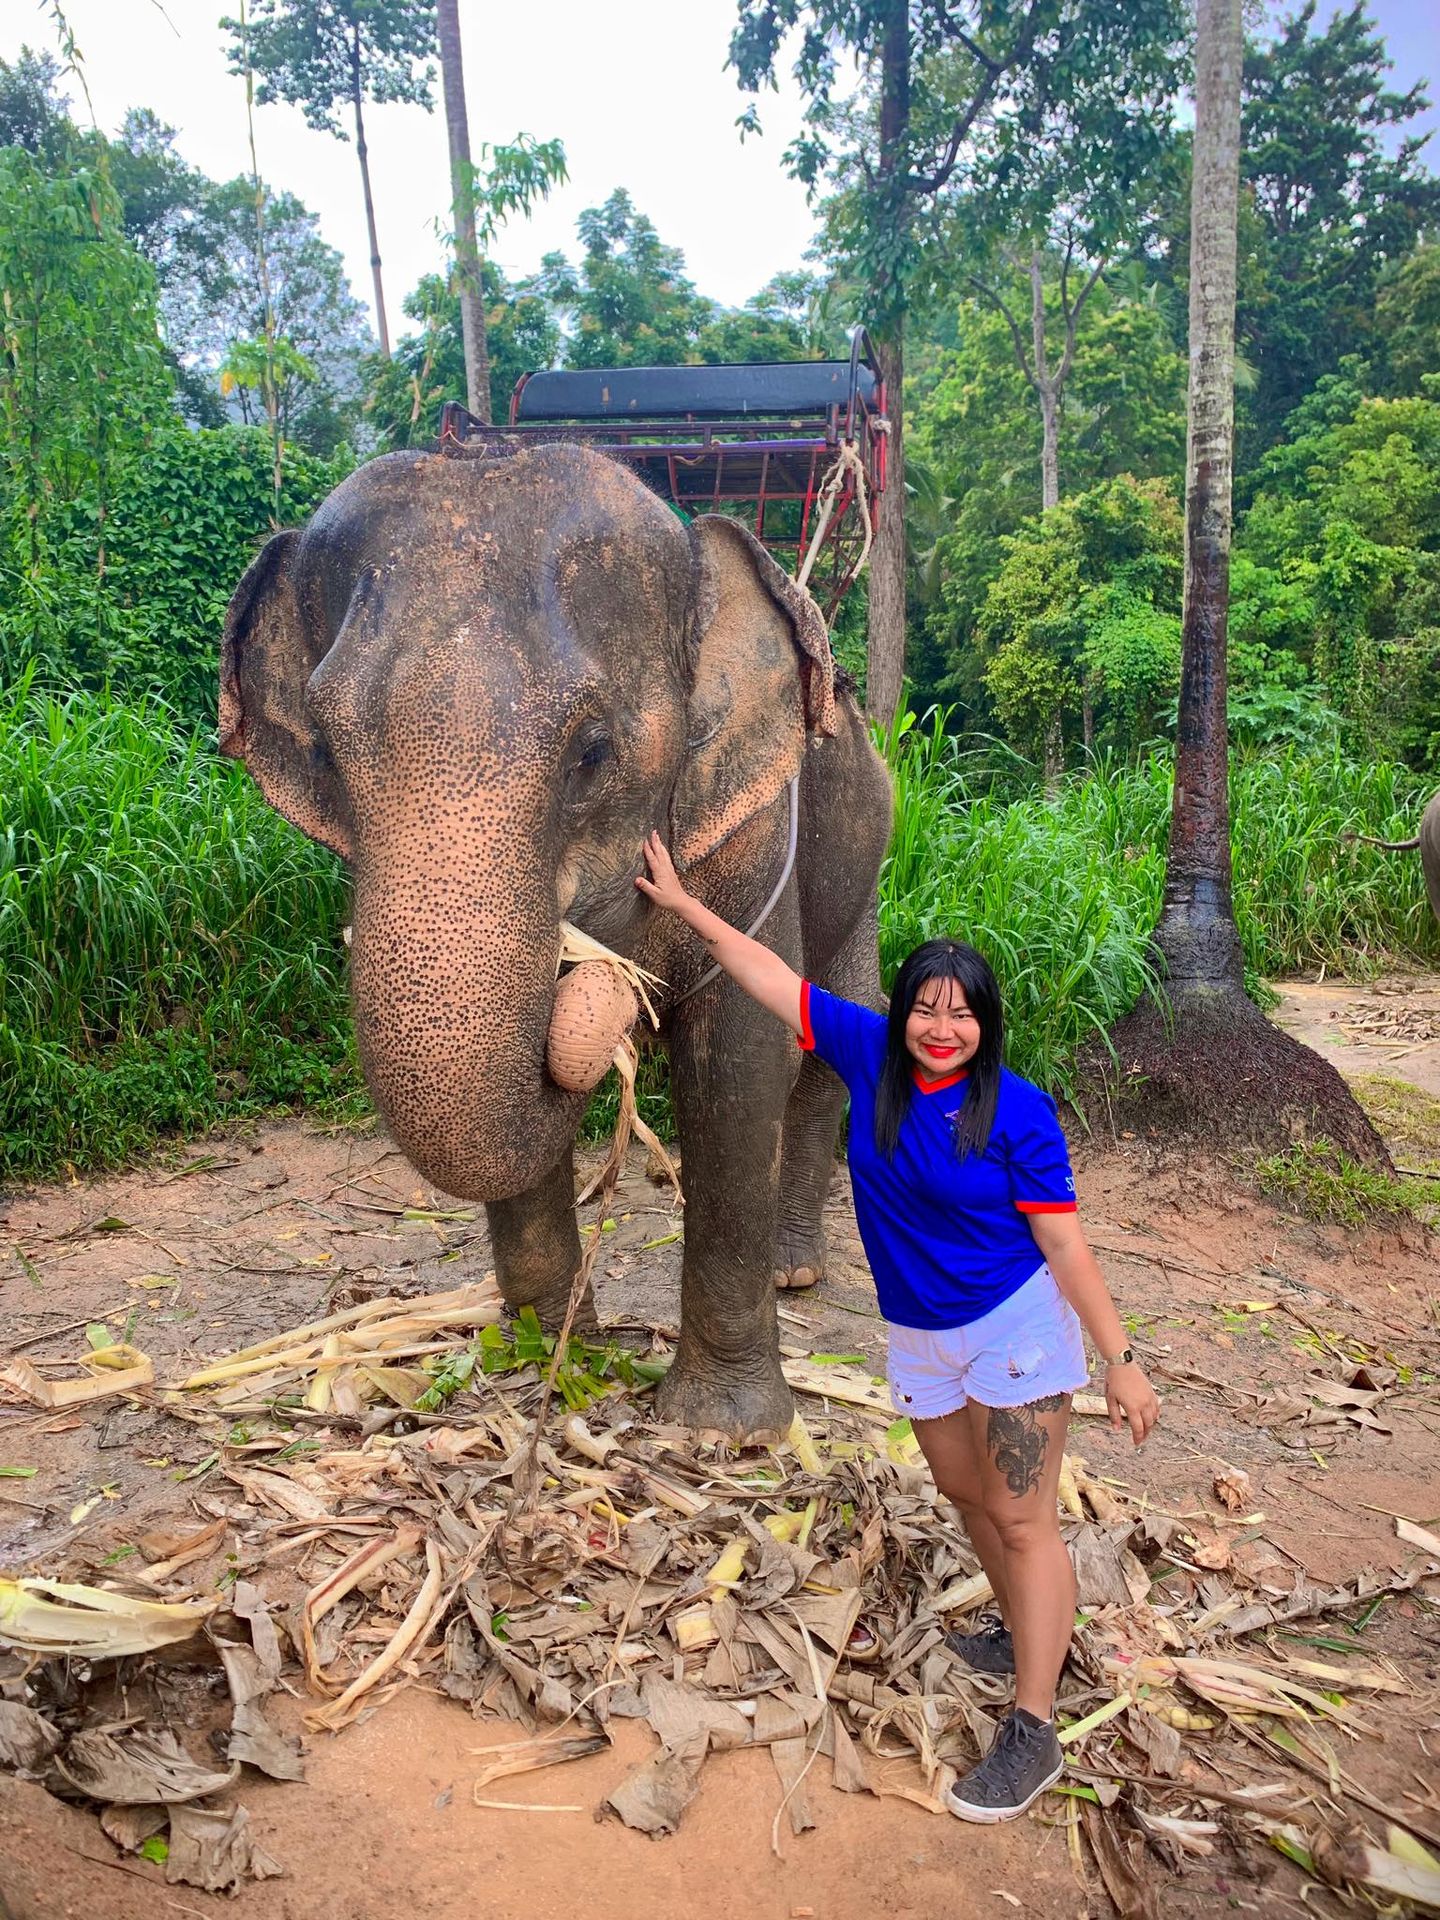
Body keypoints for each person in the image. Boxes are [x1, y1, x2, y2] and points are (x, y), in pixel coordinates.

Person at [636, 831, 1161, 1824]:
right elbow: (766, 976)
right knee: (966, 1496)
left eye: (962, 1015)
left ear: (985, 1025)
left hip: (1013, 1330)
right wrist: (684, 907)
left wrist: (1123, 1363)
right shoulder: (865, 1052)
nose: (942, 1028)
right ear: (903, 1012)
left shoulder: (1019, 1111)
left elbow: (1066, 1250)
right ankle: (1022, 1629)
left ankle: (1034, 1727)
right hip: (919, 1334)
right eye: (927, 1006)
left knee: (1020, 1515)